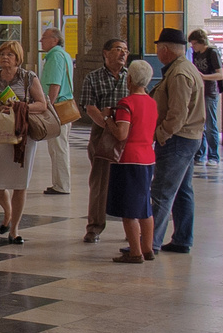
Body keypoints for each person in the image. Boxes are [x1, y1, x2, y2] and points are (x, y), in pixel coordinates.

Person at [147, 28, 206, 255]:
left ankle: (150, 243)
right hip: (187, 138)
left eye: (158, 49)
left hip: (178, 140)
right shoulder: (181, 68)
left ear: (164, 50)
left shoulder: (180, 73)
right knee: (182, 190)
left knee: (162, 191)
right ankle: (182, 239)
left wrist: (161, 134)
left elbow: (177, 114)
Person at [95, 60, 158, 264]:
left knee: (129, 209)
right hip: (148, 157)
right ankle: (148, 249)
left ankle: (135, 252)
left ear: (129, 79)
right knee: (144, 207)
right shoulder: (152, 102)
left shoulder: (127, 103)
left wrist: (107, 119)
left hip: (128, 159)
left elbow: (121, 134)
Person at [0, 40, 46, 244]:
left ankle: (14, 229)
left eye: (9, 55)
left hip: (22, 136)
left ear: (18, 58)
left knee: (20, 184)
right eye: (2, 54)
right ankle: (7, 211)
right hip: (0, 134)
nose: (5, 57)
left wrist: (20, 106)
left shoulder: (28, 77)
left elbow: (42, 105)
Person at [78, 38, 130, 243]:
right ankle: (94, 226)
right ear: (105, 53)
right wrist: (108, 125)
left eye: (125, 50)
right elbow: (90, 107)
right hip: (103, 133)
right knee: (100, 182)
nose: (123, 54)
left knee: (128, 182)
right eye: (118, 49)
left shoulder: (131, 77)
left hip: (127, 134)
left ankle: (131, 227)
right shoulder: (93, 77)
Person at [38, 28, 75, 195]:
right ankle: (60, 183)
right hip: (64, 105)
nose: (41, 41)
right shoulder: (64, 54)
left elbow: (54, 84)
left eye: (44, 38)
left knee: (59, 147)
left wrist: (48, 108)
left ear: (54, 40)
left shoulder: (55, 56)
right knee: (58, 147)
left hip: (58, 107)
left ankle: (62, 185)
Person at [190, 30, 223, 165]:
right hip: (199, 91)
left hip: (210, 92)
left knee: (211, 125)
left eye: (194, 44)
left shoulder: (212, 53)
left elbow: (220, 75)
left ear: (201, 42)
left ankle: (213, 156)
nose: (193, 47)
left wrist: (204, 77)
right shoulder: (196, 54)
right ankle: (200, 154)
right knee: (200, 125)